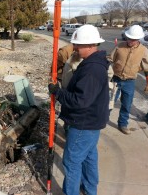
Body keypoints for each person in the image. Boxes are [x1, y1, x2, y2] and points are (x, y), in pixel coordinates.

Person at [48, 25, 109, 195]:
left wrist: (57, 92)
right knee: (89, 157)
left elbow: (80, 101)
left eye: (79, 45)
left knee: (71, 162)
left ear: (91, 45)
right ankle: (90, 190)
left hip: (83, 123)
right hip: (91, 122)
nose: (75, 48)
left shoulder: (92, 69)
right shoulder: (92, 63)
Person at [109, 25, 148, 135]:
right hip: (116, 79)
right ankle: (102, 120)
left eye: (133, 39)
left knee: (126, 104)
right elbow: (110, 59)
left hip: (129, 81)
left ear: (138, 39)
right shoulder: (119, 46)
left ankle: (123, 124)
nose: (130, 41)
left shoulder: (144, 50)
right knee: (109, 102)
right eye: (129, 38)